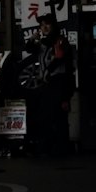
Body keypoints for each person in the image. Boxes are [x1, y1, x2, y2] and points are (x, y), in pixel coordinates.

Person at [26, 14, 75, 157]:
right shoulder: (42, 43)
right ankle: (48, 147)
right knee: (45, 116)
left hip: (60, 82)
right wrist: (32, 39)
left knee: (58, 116)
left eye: (47, 24)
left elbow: (59, 59)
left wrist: (48, 71)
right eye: (41, 25)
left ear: (53, 25)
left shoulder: (60, 40)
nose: (44, 27)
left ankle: (61, 148)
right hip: (47, 84)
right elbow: (29, 49)